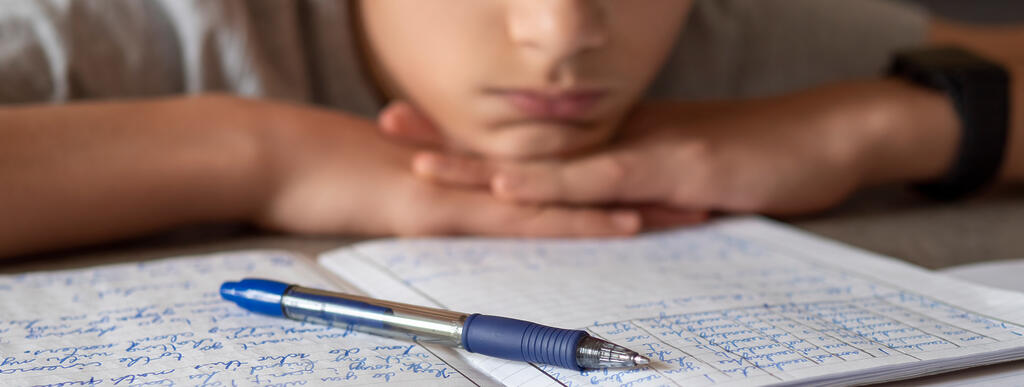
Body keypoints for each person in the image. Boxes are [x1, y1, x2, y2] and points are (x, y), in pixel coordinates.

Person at [0, 0, 1021, 259]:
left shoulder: (711, 33)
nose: (565, 35)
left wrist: (866, 129)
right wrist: (261, 153)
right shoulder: (143, 28)